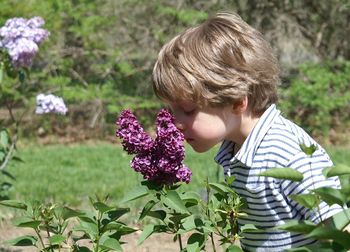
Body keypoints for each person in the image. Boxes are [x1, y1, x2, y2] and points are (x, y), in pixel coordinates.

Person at [151, 12, 343, 251]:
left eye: (188, 110)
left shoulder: (287, 153)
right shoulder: (236, 146)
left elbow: (339, 230)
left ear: (237, 102)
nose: (175, 122)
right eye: (172, 109)